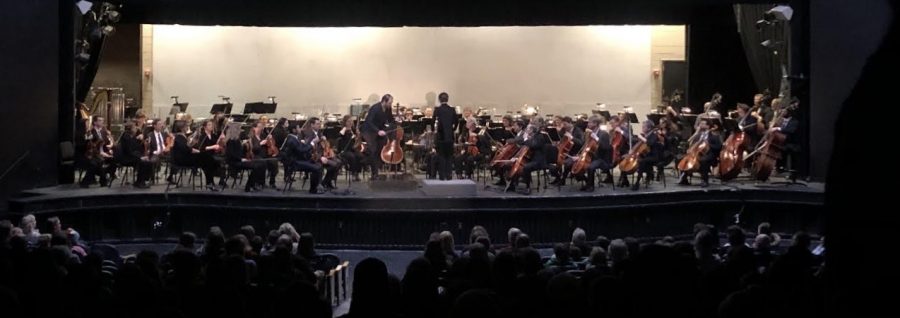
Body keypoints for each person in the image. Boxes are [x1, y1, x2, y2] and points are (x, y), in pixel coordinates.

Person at [282, 123, 325, 194]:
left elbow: (301, 149)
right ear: (294, 130)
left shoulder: (294, 138)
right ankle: (313, 189)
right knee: (316, 168)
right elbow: (301, 150)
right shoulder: (292, 140)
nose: (300, 129)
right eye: (298, 128)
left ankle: (318, 185)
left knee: (318, 165)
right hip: (295, 163)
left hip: (298, 160)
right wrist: (312, 143)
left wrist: (304, 144)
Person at [678, 118, 722, 187]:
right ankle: (684, 179)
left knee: (703, 160)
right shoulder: (698, 135)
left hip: (709, 154)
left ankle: (704, 180)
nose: (700, 125)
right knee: (681, 159)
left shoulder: (714, 136)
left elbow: (719, 147)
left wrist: (709, 144)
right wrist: (690, 148)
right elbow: (690, 143)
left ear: (708, 126)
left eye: (702, 124)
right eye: (700, 123)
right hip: (697, 153)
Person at [361, 94, 396, 180]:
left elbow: (390, 119)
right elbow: (369, 121)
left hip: (379, 130)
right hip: (369, 131)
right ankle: (374, 173)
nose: (390, 104)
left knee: (380, 149)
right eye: (389, 103)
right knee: (373, 150)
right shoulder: (375, 108)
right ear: (384, 101)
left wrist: (396, 121)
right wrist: (378, 131)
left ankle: (372, 165)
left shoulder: (388, 108)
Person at [223, 123, 265, 192]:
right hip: (234, 162)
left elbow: (238, 152)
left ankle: (253, 184)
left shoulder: (236, 139)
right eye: (239, 129)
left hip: (238, 160)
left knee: (261, 163)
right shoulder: (231, 140)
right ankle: (249, 186)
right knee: (257, 166)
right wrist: (241, 159)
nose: (240, 130)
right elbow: (231, 154)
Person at [433, 92, 457, 180]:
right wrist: (452, 130)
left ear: (439, 100)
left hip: (441, 136)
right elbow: (456, 122)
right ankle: (449, 175)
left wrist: (434, 131)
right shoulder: (452, 109)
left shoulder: (437, 110)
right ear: (448, 99)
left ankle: (442, 176)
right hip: (450, 136)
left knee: (441, 156)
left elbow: (433, 122)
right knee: (449, 156)